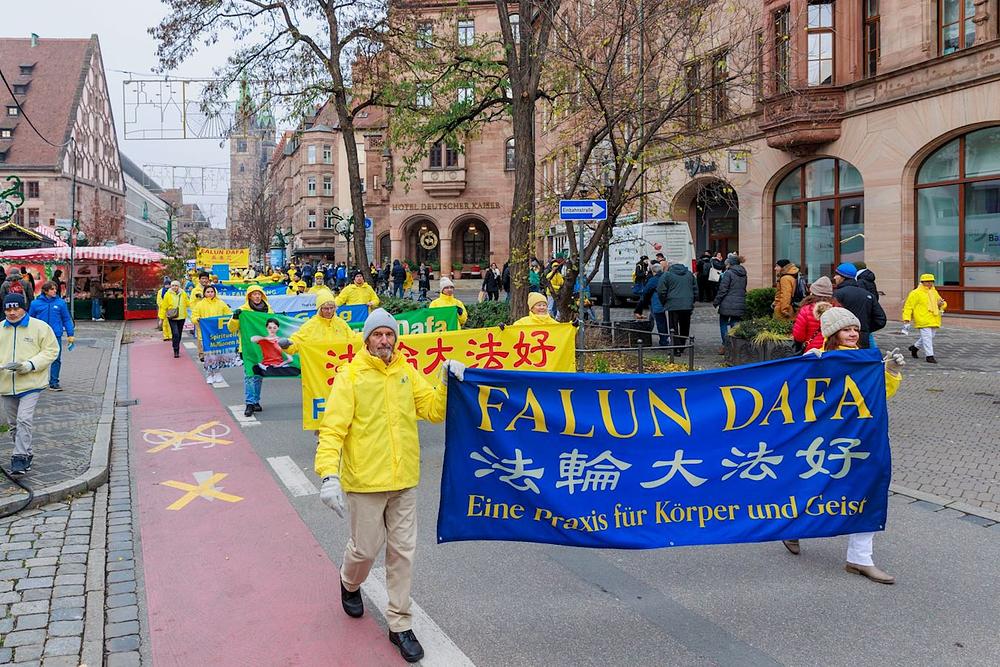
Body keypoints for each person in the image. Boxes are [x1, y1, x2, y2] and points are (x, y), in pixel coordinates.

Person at [315, 308, 463, 663]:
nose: (384, 340)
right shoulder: (350, 377)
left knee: (402, 552)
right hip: (365, 481)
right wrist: (328, 475)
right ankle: (350, 582)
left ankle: (400, 624)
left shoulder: (405, 372)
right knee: (365, 550)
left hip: (404, 480)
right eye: (378, 335)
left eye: (389, 335)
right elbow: (332, 429)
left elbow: (432, 410)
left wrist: (445, 383)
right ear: (366, 339)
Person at [781, 306, 904, 585]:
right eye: (847, 329)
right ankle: (793, 524)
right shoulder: (817, 359)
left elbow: (880, 396)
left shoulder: (863, 360)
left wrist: (890, 372)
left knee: (866, 490)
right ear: (833, 333)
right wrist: (808, 367)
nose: (853, 334)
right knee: (818, 486)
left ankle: (860, 559)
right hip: (823, 439)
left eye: (856, 329)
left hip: (860, 438)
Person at [1, 293, 60, 475]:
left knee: (23, 419)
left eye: (15, 308)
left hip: (31, 383)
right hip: (5, 384)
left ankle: (19, 457)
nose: (11, 312)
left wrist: (29, 365)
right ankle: (27, 453)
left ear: (24, 308)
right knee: (13, 424)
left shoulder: (40, 327)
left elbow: (51, 350)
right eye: (8, 309)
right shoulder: (1, 329)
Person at [227, 285, 273, 416]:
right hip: (247, 348)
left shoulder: (268, 310)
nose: (257, 296)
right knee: (249, 376)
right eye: (254, 294)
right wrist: (235, 318)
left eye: (259, 294)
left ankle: (256, 401)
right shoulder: (242, 310)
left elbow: (274, 326)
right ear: (249, 296)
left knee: (258, 376)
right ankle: (249, 403)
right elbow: (231, 328)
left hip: (263, 348)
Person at [27, 281, 74, 391]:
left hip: (55, 334)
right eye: (52, 289)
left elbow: (66, 319)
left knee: (56, 358)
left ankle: (54, 382)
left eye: (55, 289)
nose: (55, 291)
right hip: (39, 335)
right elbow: (30, 319)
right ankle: (36, 381)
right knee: (37, 358)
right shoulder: (35, 304)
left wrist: (70, 334)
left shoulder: (61, 303)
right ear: (45, 291)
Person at [282, 290, 360, 354]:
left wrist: (365, 336)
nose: (329, 311)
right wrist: (287, 345)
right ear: (320, 309)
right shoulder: (310, 325)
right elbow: (297, 341)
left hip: (339, 368)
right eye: (325, 308)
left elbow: (352, 339)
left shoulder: (341, 323)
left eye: (331, 308)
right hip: (319, 369)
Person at [832, 262, 886, 350]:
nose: (834, 277)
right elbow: (881, 320)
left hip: (841, 339)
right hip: (863, 339)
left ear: (843, 276)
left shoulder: (837, 294)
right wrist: (864, 329)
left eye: (837, 274)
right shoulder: (867, 294)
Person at [190, 285, 233, 384]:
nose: (210, 294)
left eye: (212, 292)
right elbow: (193, 317)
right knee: (208, 355)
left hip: (218, 334)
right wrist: (198, 320)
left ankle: (218, 372)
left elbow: (229, 314)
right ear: (204, 293)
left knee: (218, 354)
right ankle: (209, 374)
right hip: (205, 334)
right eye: (208, 292)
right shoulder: (200, 305)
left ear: (215, 292)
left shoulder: (221, 303)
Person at [903, 273, 946, 364]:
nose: (930, 283)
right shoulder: (915, 293)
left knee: (930, 336)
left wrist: (941, 304)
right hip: (922, 318)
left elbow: (941, 302)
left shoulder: (934, 292)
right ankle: (929, 356)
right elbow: (908, 306)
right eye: (927, 281)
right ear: (922, 282)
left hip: (934, 317)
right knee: (927, 337)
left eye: (931, 281)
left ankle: (915, 347)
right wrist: (907, 318)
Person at [791, 276, 839, 353]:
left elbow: (799, 336)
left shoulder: (806, 310)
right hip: (832, 350)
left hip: (812, 351)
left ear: (812, 293)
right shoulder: (837, 309)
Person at [657, 262, 697, 350]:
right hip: (687, 304)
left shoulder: (667, 275)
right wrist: (692, 301)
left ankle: (676, 347)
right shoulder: (689, 274)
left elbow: (660, 290)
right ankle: (682, 345)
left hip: (672, 304)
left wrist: (664, 301)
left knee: (673, 327)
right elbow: (695, 289)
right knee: (685, 325)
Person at [713, 255, 747, 354]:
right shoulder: (743, 273)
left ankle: (726, 345)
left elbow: (723, 289)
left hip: (727, 303)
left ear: (730, 263)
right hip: (739, 302)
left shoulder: (728, 273)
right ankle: (735, 345)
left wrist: (716, 302)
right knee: (735, 324)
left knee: (723, 323)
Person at [158, 281, 190, 358]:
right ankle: (176, 349)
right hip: (172, 317)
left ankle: (176, 345)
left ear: (179, 286)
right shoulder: (167, 294)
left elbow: (188, 303)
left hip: (182, 317)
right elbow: (163, 307)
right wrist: (161, 319)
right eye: (172, 285)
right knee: (175, 333)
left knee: (179, 334)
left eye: (176, 285)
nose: (174, 287)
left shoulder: (183, 293)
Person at [642, 263, 670, 347]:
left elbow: (646, 291)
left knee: (660, 322)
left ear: (654, 272)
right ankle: (667, 339)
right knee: (664, 322)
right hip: (668, 302)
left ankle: (663, 341)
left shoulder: (654, 279)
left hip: (657, 303)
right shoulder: (667, 277)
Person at [155, 277, 172, 341]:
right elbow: (158, 301)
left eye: (168, 284)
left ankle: (170, 335)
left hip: (170, 309)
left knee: (170, 323)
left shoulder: (171, 291)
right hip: (163, 310)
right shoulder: (160, 291)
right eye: (166, 284)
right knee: (164, 324)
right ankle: (166, 336)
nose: (167, 285)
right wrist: (163, 306)